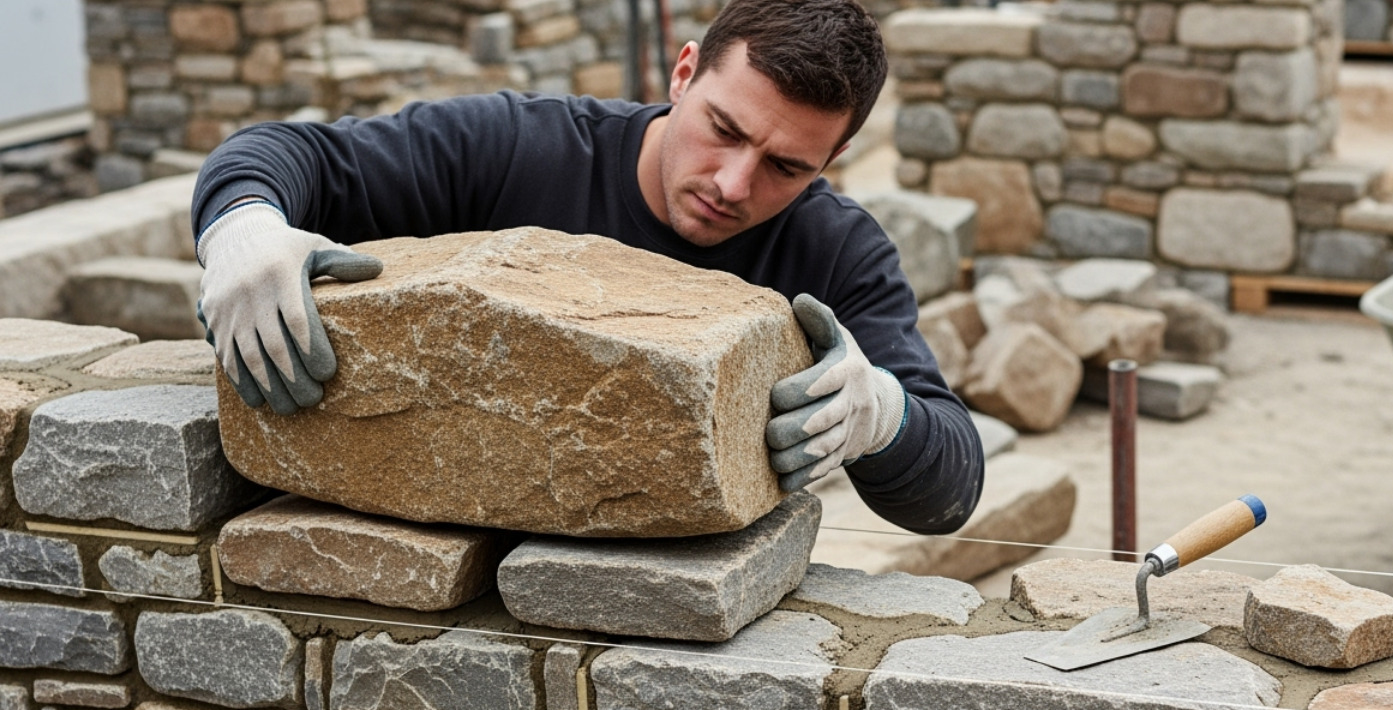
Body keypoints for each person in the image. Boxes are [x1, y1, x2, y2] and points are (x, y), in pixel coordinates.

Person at [192, 0, 983, 534]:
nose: (733, 185)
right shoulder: (519, 149)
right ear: (682, 75)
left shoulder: (837, 251)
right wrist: (241, 225)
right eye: (722, 129)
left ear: (835, 157)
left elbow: (952, 489)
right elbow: (291, 154)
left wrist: (883, 416)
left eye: (787, 167)